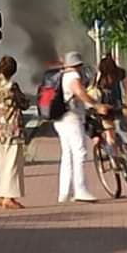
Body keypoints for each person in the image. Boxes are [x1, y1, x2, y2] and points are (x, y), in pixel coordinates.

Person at [53, 50, 96, 203]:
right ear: (78, 65)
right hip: (71, 118)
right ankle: (80, 189)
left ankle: (63, 192)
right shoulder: (73, 76)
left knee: (67, 155)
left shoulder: (61, 76)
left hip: (60, 119)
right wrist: (95, 104)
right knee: (80, 153)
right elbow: (79, 92)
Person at [0, 55, 28, 209]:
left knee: (1, 163)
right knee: (12, 163)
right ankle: (9, 197)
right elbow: (23, 103)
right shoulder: (11, 86)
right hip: (12, 128)